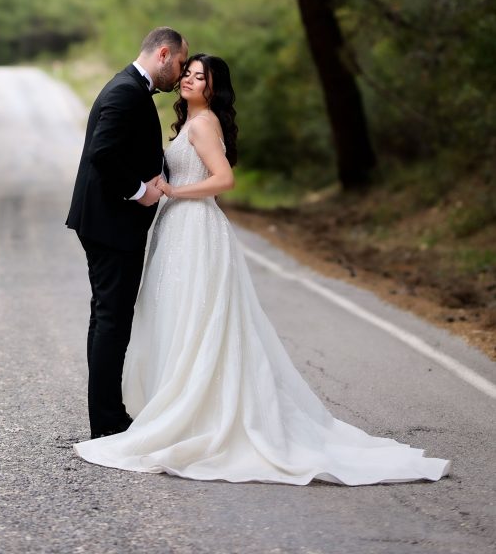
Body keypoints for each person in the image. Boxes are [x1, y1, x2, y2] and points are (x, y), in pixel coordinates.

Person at [74, 54, 450, 484]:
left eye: (200, 78)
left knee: (199, 320)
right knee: (178, 319)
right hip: (177, 228)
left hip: (196, 228)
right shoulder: (189, 123)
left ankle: (197, 412)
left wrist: (174, 190)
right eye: (189, 74)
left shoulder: (204, 123)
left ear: (214, 89)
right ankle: (175, 404)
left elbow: (224, 179)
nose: (189, 81)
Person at [66, 26, 188, 439]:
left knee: (107, 318)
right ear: (164, 54)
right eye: (182, 64)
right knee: (111, 319)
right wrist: (140, 192)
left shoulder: (130, 87)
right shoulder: (124, 91)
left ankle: (106, 415)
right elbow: (103, 153)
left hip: (107, 221)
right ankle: (108, 422)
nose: (182, 72)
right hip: (110, 222)